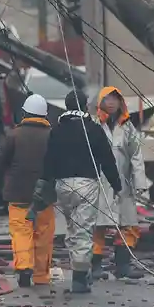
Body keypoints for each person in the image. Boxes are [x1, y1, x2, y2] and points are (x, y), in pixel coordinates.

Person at [29, 89, 122, 293]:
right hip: (86, 185)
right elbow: (107, 160)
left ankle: (80, 270)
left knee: (72, 229)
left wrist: (44, 185)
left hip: (62, 186)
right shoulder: (93, 129)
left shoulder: (57, 130)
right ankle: (80, 278)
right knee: (83, 231)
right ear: (84, 105)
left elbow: (48, 162)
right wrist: (117, 185)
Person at [0, 94, 54, 288]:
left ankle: (24, 267)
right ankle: (41, 276)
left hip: (17, 193)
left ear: (24, 113)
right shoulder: (52, 135)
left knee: (21, 231)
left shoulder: (14, 135)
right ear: (45, 115)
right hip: (45, 195)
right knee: (44, 234)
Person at [93, 86, 150, 280]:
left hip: (124, 185)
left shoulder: (127, 127)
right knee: (97, 225)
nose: (111, 102)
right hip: (99, 183)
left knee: (128, 224)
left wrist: (140, 183)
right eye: (107, 98)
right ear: (100, 101)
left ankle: (123, 265)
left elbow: (136, 156)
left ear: (120, 103)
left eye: (114, 99)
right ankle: (95, 266)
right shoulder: (92, 125)